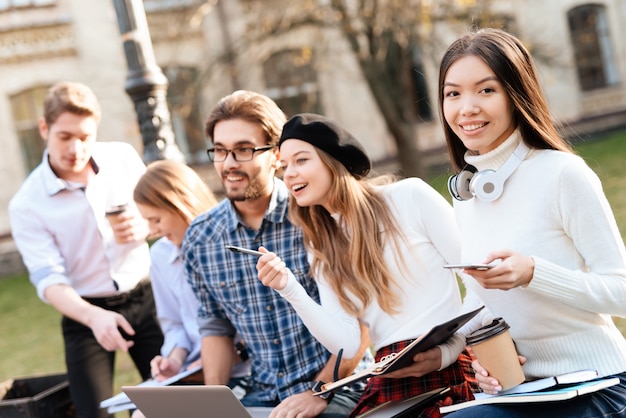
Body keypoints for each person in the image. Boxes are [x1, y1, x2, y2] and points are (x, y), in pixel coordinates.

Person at [438, 28, 626, 417]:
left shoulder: (563, 174)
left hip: (598, 385)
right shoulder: (468, 194)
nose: (466, 107)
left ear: (515, 94)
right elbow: (482, 303)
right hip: (526, 390)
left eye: (486, 90)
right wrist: (479, 360)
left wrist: (534, 273)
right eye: (453, 93)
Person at [256, 112, 478, 417]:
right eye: (284, 167)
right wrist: (289, 289)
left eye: (301, 160)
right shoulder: (321, 246)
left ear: (334, 161)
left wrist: (447, 352)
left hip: (451, 366)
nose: (289, 174)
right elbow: (347, 343)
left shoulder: (410, 197)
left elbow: (480, 278)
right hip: (389, 379)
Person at [182, 90, 371, 418]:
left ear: (275, 155)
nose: (228, 164)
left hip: (340, 384)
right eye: (220, 151)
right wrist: (214, 406)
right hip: (264, 395)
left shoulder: (318, 215)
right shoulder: (201, 238)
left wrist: (319, 390)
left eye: (243, 150)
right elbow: (215, 329)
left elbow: (362, 319)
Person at [8, 81, 163, 418]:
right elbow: (50, 281)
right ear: (44, 128)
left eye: (85, 136)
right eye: (65, 136)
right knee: (91, 412)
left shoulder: (121, 157)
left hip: (149, 298)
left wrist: (146, 226)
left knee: (180, 402)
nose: (76, 148)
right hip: (85, 311)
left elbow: (161, 214)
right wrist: (94, 317)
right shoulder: (26, 204)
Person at [131, 160, 251, 418]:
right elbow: (174, 323)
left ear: (180, 202)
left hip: (241, 373)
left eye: (156, 219)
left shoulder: (231, 244)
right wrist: (174, 359)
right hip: (192, 374)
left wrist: (226, 358)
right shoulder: (161, 255)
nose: (152, 231)